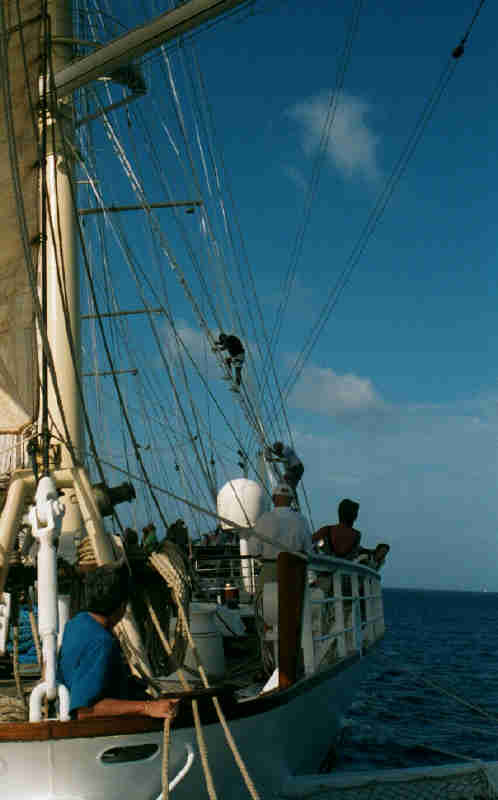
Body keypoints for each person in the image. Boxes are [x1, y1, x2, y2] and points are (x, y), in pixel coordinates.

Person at [57, 564, 179, 720]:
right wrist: (148, 707)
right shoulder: (102, 642)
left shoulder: (75, 623)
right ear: (122, 607)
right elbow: (84, 710)